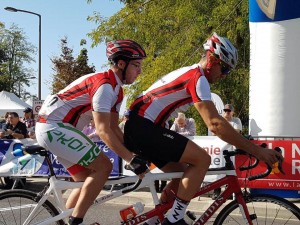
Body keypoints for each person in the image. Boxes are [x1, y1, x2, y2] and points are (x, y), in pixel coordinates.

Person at [124, 32, 282, 225]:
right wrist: (257, 151)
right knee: (202, 159)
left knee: (182, 174)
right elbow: (215, 124)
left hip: (140, 127)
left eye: (228, 71)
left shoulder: (193, 75)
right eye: (223, 69)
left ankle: (156, 220)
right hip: (142, 126)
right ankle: (174, 220)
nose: (224, 75)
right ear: (210, 59)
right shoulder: (197, 78)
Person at [35, 39, 148, 225]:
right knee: (104, 167)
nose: (140, 71)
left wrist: (135, 153)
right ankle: (76, 221)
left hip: (55, 128)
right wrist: (130, 159)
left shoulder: (117, 90)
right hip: (53, 126)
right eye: (136, 65)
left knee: (86, 180)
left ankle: (65, 221)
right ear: (121, 63)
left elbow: (113, 128)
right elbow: (102, 130)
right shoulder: (104, 85)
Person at [211, 103, 243, 200]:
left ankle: (228, 192)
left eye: (229, 111)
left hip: (231, 150)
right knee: (218, 169)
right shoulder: (219, 120)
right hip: (219, 149)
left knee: (230, 170)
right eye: (225, 110)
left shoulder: (236, 120)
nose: (227, 112)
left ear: (232, 112)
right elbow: (214, 133)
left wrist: (223, 133)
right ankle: (216, 191)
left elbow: (237, 132)